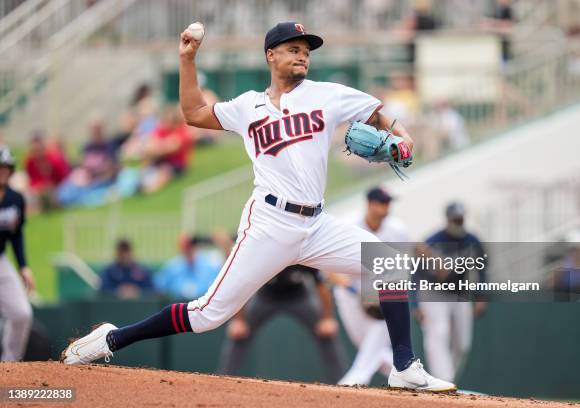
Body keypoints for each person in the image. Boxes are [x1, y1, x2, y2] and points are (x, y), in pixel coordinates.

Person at [61, 21, 454, 392]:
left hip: (316, 225)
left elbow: (378, 113)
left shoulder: (327, 94)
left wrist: (403, 137)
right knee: (206, 316)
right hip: (268, 221)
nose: (303, 56)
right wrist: (187, 60)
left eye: (306, 51)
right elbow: (194, 113)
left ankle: (404, 368)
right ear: (270, 55)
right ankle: (111, 338)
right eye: (293, 49)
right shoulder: (248, 106)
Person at [218, 265, 346, 383]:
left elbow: (321, 286)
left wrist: (327, 318)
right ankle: (224, 379)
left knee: (326, 333)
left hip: (299, 297)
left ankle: (342, 381)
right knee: (239, 334)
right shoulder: (263, 252)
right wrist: (239, 320)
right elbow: (241, 285)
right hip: (265, 297)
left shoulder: (302, 250)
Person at [334, 187, 410, 385]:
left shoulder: (397, 230)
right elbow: (327, 267)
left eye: (388, 202)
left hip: (379, 287)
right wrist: (353, 291)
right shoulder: (350, 225)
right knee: (367, 347)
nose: (386, 207)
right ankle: (409, 375)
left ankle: (355, 379)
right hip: (349, 288)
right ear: (370, 204)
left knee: (376, 336)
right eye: (382, 202)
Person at [413, 202, 487, 383]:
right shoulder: (433, 240)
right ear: (447, 219)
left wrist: (481, 295)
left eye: (461, 219)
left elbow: (483, 269)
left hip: (459, 292)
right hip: (433, 292)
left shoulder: (472, 240)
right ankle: (443, 379)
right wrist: (415, 303)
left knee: (463, 344)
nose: (458, 222)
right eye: (455, 219)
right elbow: (415, 272)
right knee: (438, 333)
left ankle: (447, 381)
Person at [0, 147, 35, 361]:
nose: (3, 172)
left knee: (22, 314)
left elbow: (16, 235)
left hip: (1, 260)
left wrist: (24, 266)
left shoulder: (15, 199)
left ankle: (9, 365)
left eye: (7, 168)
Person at [154, 234, 224, 299]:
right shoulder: (173, 266)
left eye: (190, 246)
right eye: (185, 247)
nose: (188, 249)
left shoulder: (208, 264)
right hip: (178, 305)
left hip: (201, 305)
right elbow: (159, 286)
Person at [24, 134, 70, 212]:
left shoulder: (53, 159)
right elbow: (31, 179)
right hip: (37, 189)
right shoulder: (30, 161)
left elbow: (62, 177)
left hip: (55, 187)